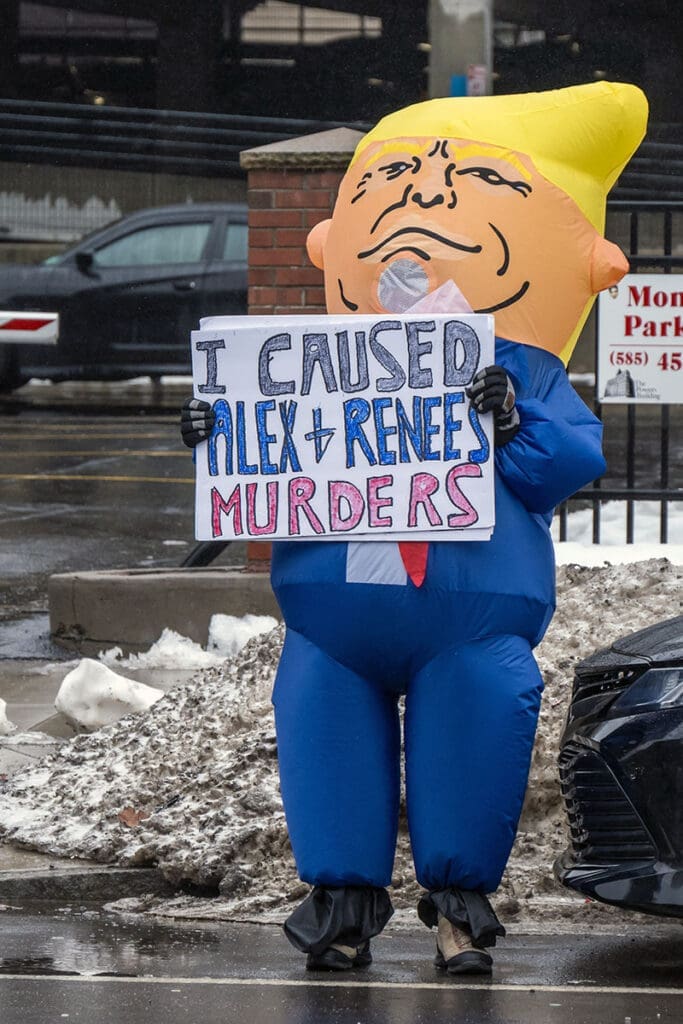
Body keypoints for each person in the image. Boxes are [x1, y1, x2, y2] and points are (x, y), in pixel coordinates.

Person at [182, 81, 648, 976]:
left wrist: (510, 420)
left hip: (468, 620)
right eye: (393, 179)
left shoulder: (517, 370)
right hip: (331, 620)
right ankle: (341, 905)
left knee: (472, 739)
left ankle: (458, 909)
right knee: (324, 743)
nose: (425, 201)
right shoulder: (310, 364)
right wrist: (218, 434)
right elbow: (263, 464)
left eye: (469, 182)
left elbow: (564, 464)